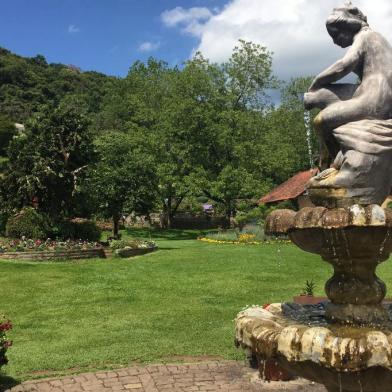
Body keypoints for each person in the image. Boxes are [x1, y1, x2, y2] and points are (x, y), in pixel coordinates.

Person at [303, 3, 392, 206]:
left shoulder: (367, 36)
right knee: (319, 97)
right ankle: (338, 160)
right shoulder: (376, 39)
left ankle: (328, 164)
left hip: (373, 99)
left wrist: (315, 83)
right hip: (369, 93)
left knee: (320, 120)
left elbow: (344, 65)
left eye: (336, 34)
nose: (336, 41)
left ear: (349, 25)